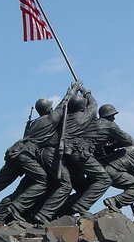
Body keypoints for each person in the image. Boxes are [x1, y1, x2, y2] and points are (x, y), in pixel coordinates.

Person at [0, 81, 81, 225]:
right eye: (51, 107)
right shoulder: (51, 119)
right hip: (26, 154)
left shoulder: (34, 123)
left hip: (14, 152)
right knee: (42, 181)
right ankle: (15, 208)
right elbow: (63, 105)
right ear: (49, 109)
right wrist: (72, 91)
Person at [61, 103, 134, 217]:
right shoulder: (110, 126)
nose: (114, 118)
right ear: (109, 116)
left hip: (71, 154)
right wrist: (115, 145)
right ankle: (82, 206)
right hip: (82, 154)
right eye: (113, 115)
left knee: (84, 188)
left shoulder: (92, 123)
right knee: (105, 180)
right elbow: (128, 141)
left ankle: (63, 209)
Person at [31, 88, 98, 224]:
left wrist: (72, 93)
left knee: (77, 185)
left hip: (53, 154)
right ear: (82, 107)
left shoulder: (62, 118)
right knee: (66, 186)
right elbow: (94, 106)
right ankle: (44, 214)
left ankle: (62, 210)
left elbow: (61, 107)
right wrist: (87, 93)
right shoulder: (82, 118)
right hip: (54, 154)